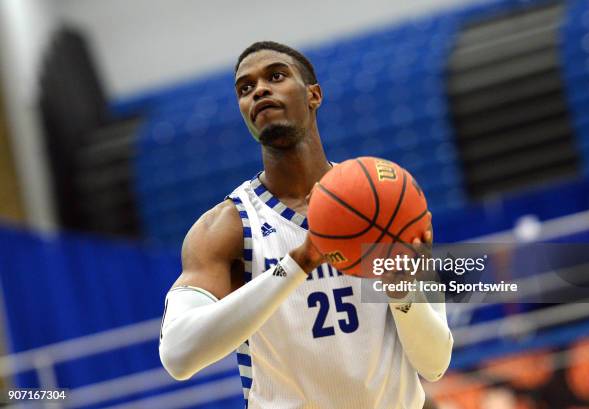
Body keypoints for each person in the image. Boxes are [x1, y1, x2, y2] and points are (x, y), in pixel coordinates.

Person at [158, 41, 453, 409]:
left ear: (314, 95)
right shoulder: (227, 228)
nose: (259, 90)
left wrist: (400, 293)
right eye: (245, 88)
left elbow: (435, 363)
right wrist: (299, 262)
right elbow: (178, 355)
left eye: (276, 76)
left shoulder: (387, 201)